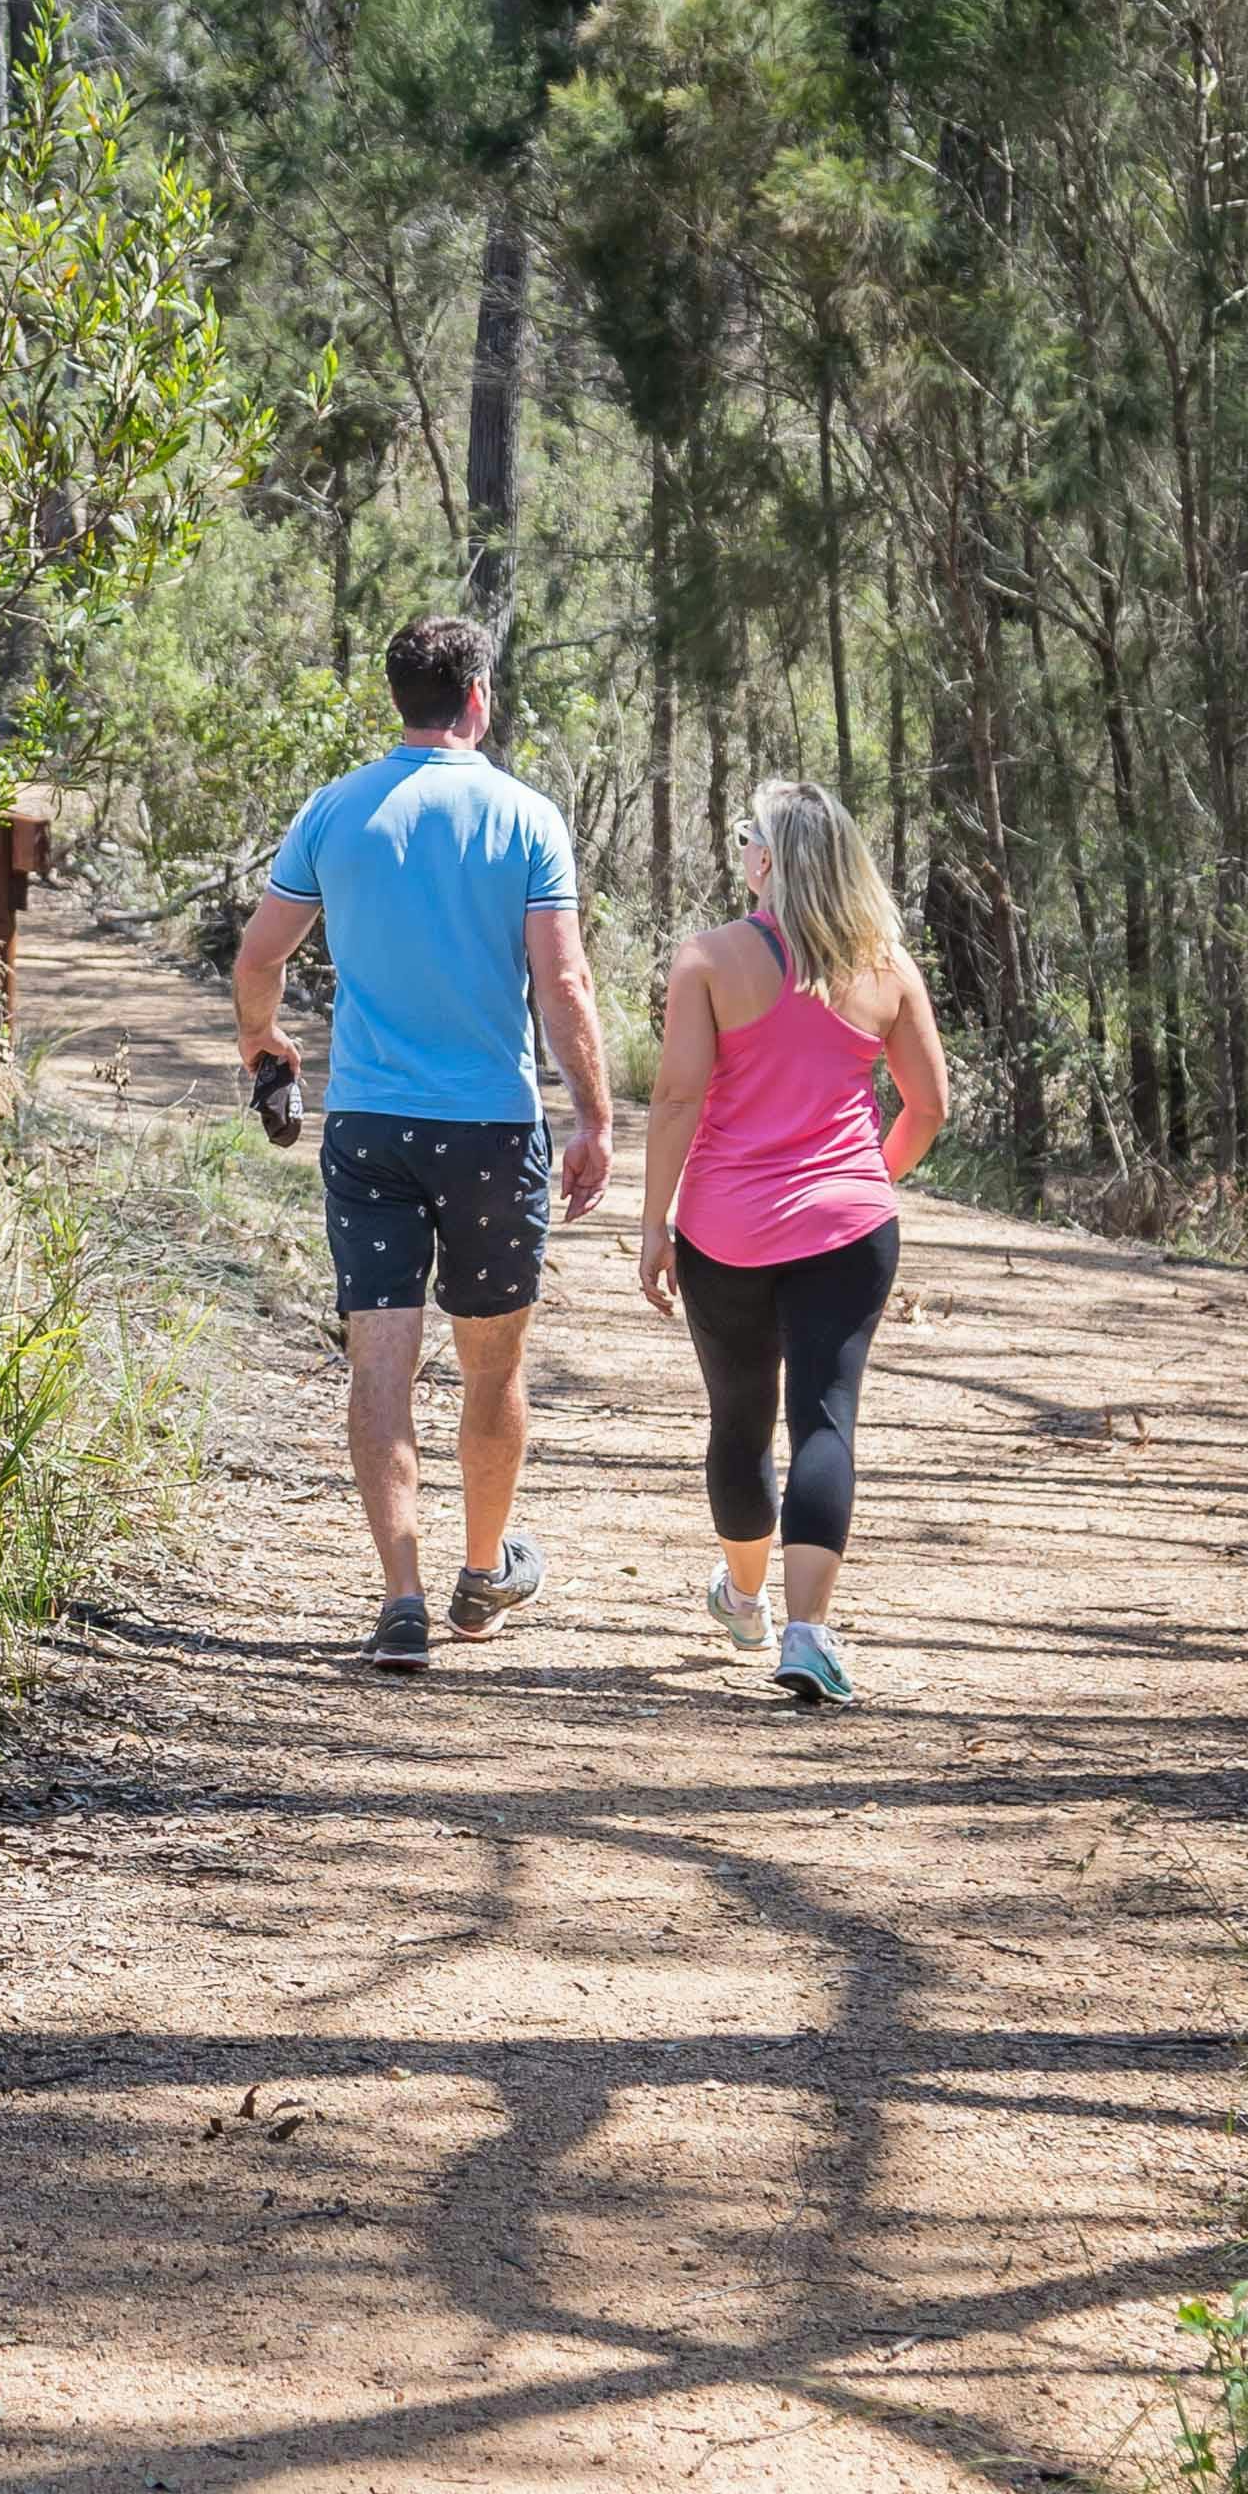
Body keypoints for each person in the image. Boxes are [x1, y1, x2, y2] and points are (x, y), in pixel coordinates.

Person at [232, 617, 614, 1672]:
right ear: (478, 697)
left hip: (369, 1125)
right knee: (492, 1366)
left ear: (397, 698)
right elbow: (563, 981)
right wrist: (594, 1115)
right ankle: (480, 1574)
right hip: (491, 1128)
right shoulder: (524, 817)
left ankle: (400, 1599)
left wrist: (263, 1045)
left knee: (381, 1358)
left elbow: (260, 956)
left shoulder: (336, 809)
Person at [634, 777, 948, 1706]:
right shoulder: (886, 964)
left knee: (740, 1422)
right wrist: (866, 1180)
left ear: (765, 859)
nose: (740, 854)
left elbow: (679, 1098)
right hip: (850, 1232)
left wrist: (655, 1222)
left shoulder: (709, 960)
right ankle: (808, 1634)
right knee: (826, 1417)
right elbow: (928, 1106)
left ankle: (743, 1596)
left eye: (744, 840)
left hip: (724, 1233)